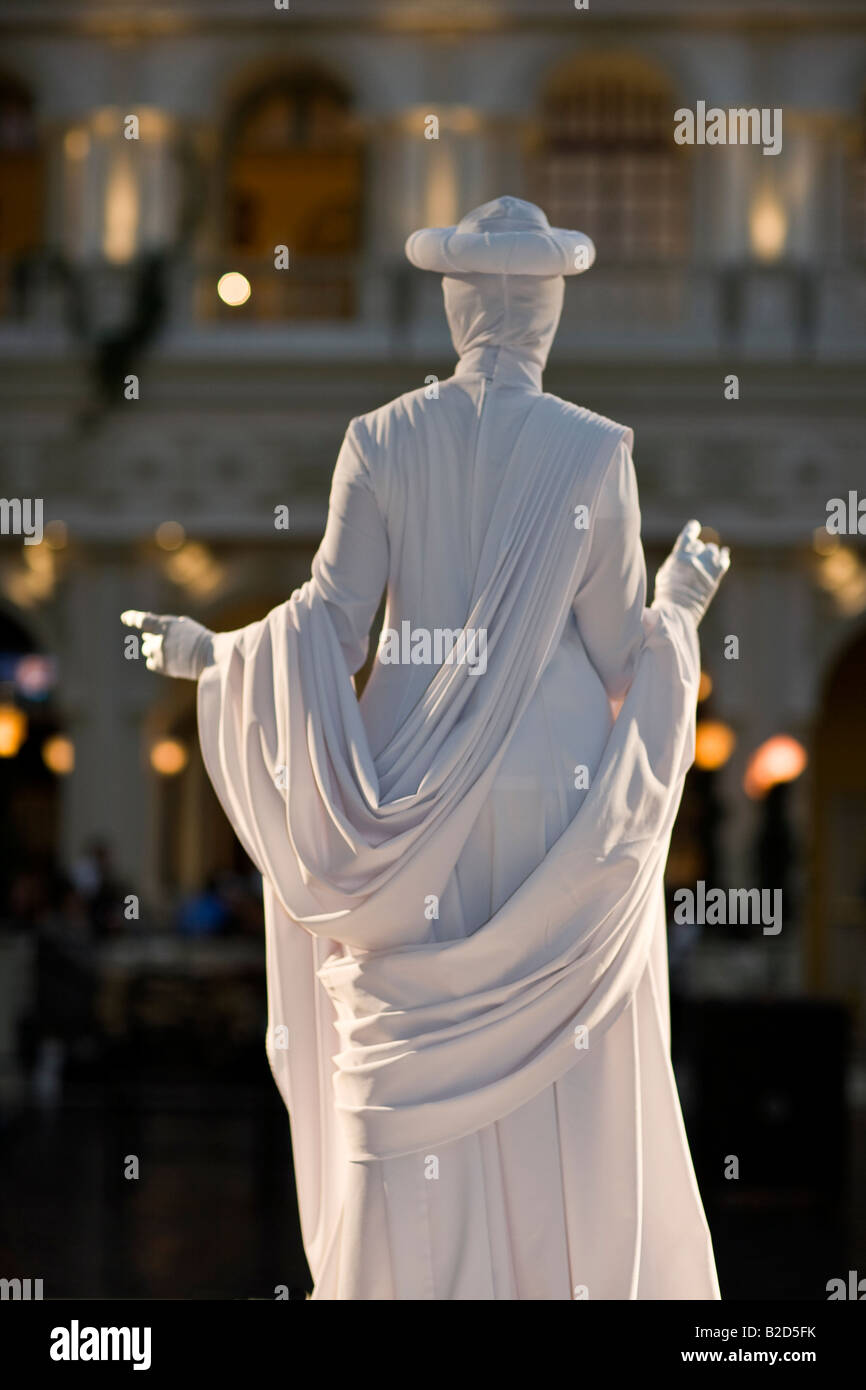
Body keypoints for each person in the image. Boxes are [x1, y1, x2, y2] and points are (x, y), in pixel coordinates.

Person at [122, 196, 729, 1300]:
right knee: (561, 1078)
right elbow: (616, 662)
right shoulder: (595, 452)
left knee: (398, 1089)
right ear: (544, 314)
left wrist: (212, 655)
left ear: (457, 312)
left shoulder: (382, 438)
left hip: (408, 805)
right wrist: (681, 604)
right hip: (554, 795)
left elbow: (326, 627)